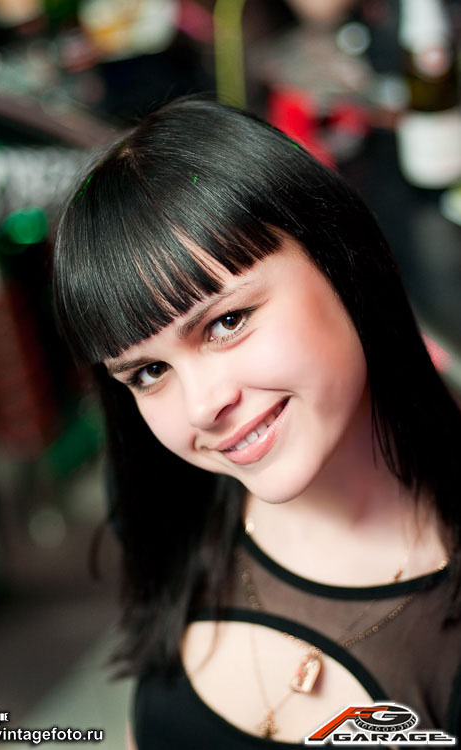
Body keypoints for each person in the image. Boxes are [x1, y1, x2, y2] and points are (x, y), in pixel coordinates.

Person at [53, 96, 461, 749]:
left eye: (227, 321)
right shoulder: (167, 501)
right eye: (149, 372)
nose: (201, 406)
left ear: (338, 258)